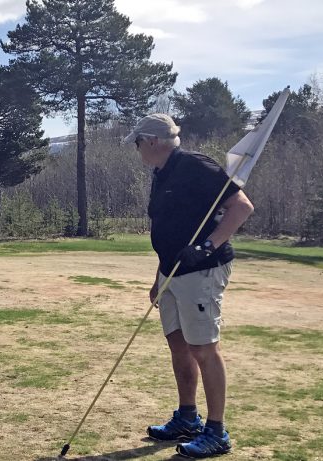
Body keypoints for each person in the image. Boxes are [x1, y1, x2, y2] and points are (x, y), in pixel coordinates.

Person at [123, 114, 254, 458]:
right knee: (178, 345)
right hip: (171, 271)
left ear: (153, 141)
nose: (137, 150)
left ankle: (216, 432)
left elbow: (241, 206)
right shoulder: (160, 173)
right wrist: (158, 276)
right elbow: (168, 228)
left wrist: (207, 246)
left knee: (204, 349)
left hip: (202, 269)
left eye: (137, 143)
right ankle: (187, 418)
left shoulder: (196, 166)